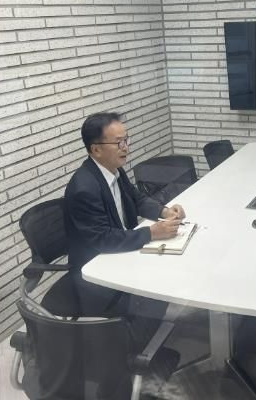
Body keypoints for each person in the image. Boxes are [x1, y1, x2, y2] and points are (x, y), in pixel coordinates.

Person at [64, 112, 186, 319]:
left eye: (126, 140)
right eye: (118, 142)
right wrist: (151, 233)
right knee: (162, 280)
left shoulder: (113, 170)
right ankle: (140, 331)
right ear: (96, 149)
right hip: (98, 270)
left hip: (120, 252)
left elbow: (136, 199)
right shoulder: (84, 188)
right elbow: (103, 239)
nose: (126, 147)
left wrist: (164, 211)